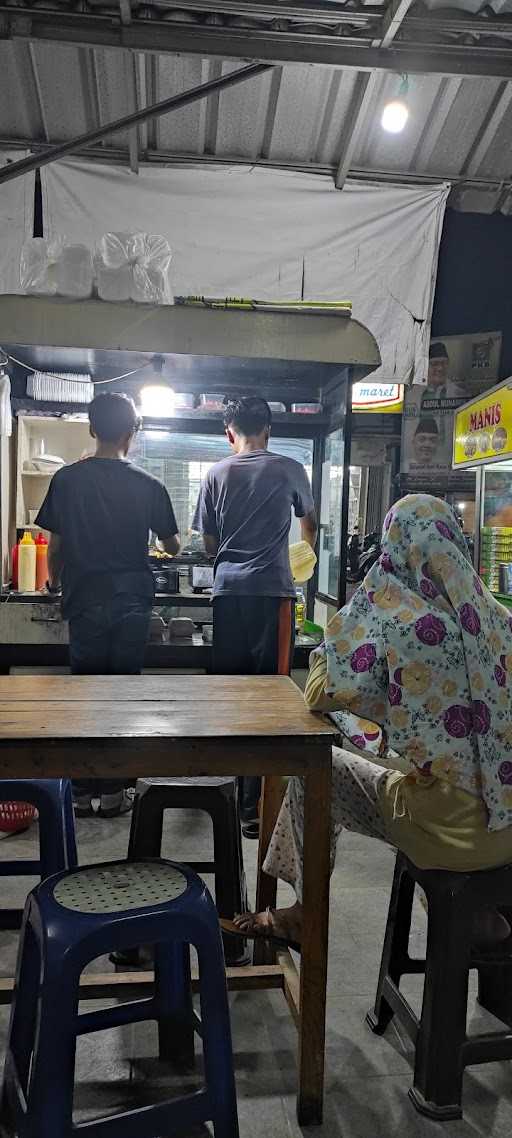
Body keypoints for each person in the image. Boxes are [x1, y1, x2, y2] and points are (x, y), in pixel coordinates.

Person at [224, 494, 512, 950]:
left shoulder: (404, 624)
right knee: (444, 786)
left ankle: (301, 914)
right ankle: (477, 917)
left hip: (450, 836)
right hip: (508, 830)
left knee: (316, 771)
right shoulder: (499, 620)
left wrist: (345, 628)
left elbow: (320, 694)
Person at [36, 392, 180, 817]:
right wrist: (164, 543)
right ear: (132, 432)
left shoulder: (66, 480)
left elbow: (55, 546)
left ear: (92, 428)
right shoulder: (149, 484)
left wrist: (53, 583)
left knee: (85, 696)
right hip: (132, 600)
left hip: (84, 599)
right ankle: (116, 792)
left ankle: (81, 792)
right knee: (122, 698)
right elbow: (171, 544)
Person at [193, 395, 317, 837]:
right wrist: (304, 549)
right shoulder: (289, 469)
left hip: (226, 595)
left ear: (230, 434)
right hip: (272, 595)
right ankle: (254, 808)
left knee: (230, 694)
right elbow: (308, 521)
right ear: (269, 429)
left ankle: (226, 796)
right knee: (271, 698)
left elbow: (208, 544)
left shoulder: (215, 473)